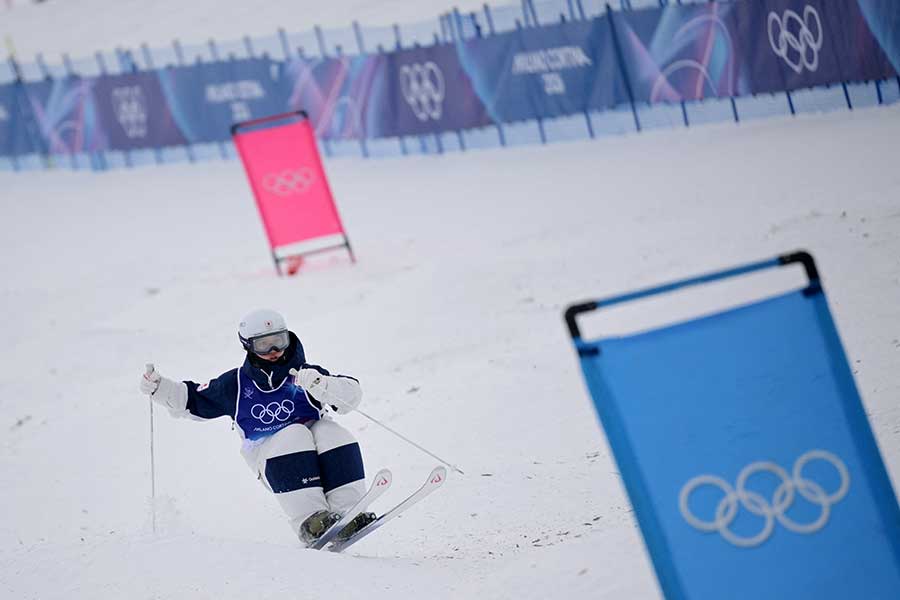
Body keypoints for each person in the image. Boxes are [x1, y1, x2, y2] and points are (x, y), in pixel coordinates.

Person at [139, 308, 375, 546]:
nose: (274, 351)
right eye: (264, 345)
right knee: (294, 433)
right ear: (249, 346)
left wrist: (323, 384)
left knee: (332, 432)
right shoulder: (236, 384)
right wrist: (159, 388)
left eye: (279, 341)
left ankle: (348, 512)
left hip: (318, 453)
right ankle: (311, 521)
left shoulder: (306, 374)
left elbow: (351, 397)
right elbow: (191, 399)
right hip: (273, 458)